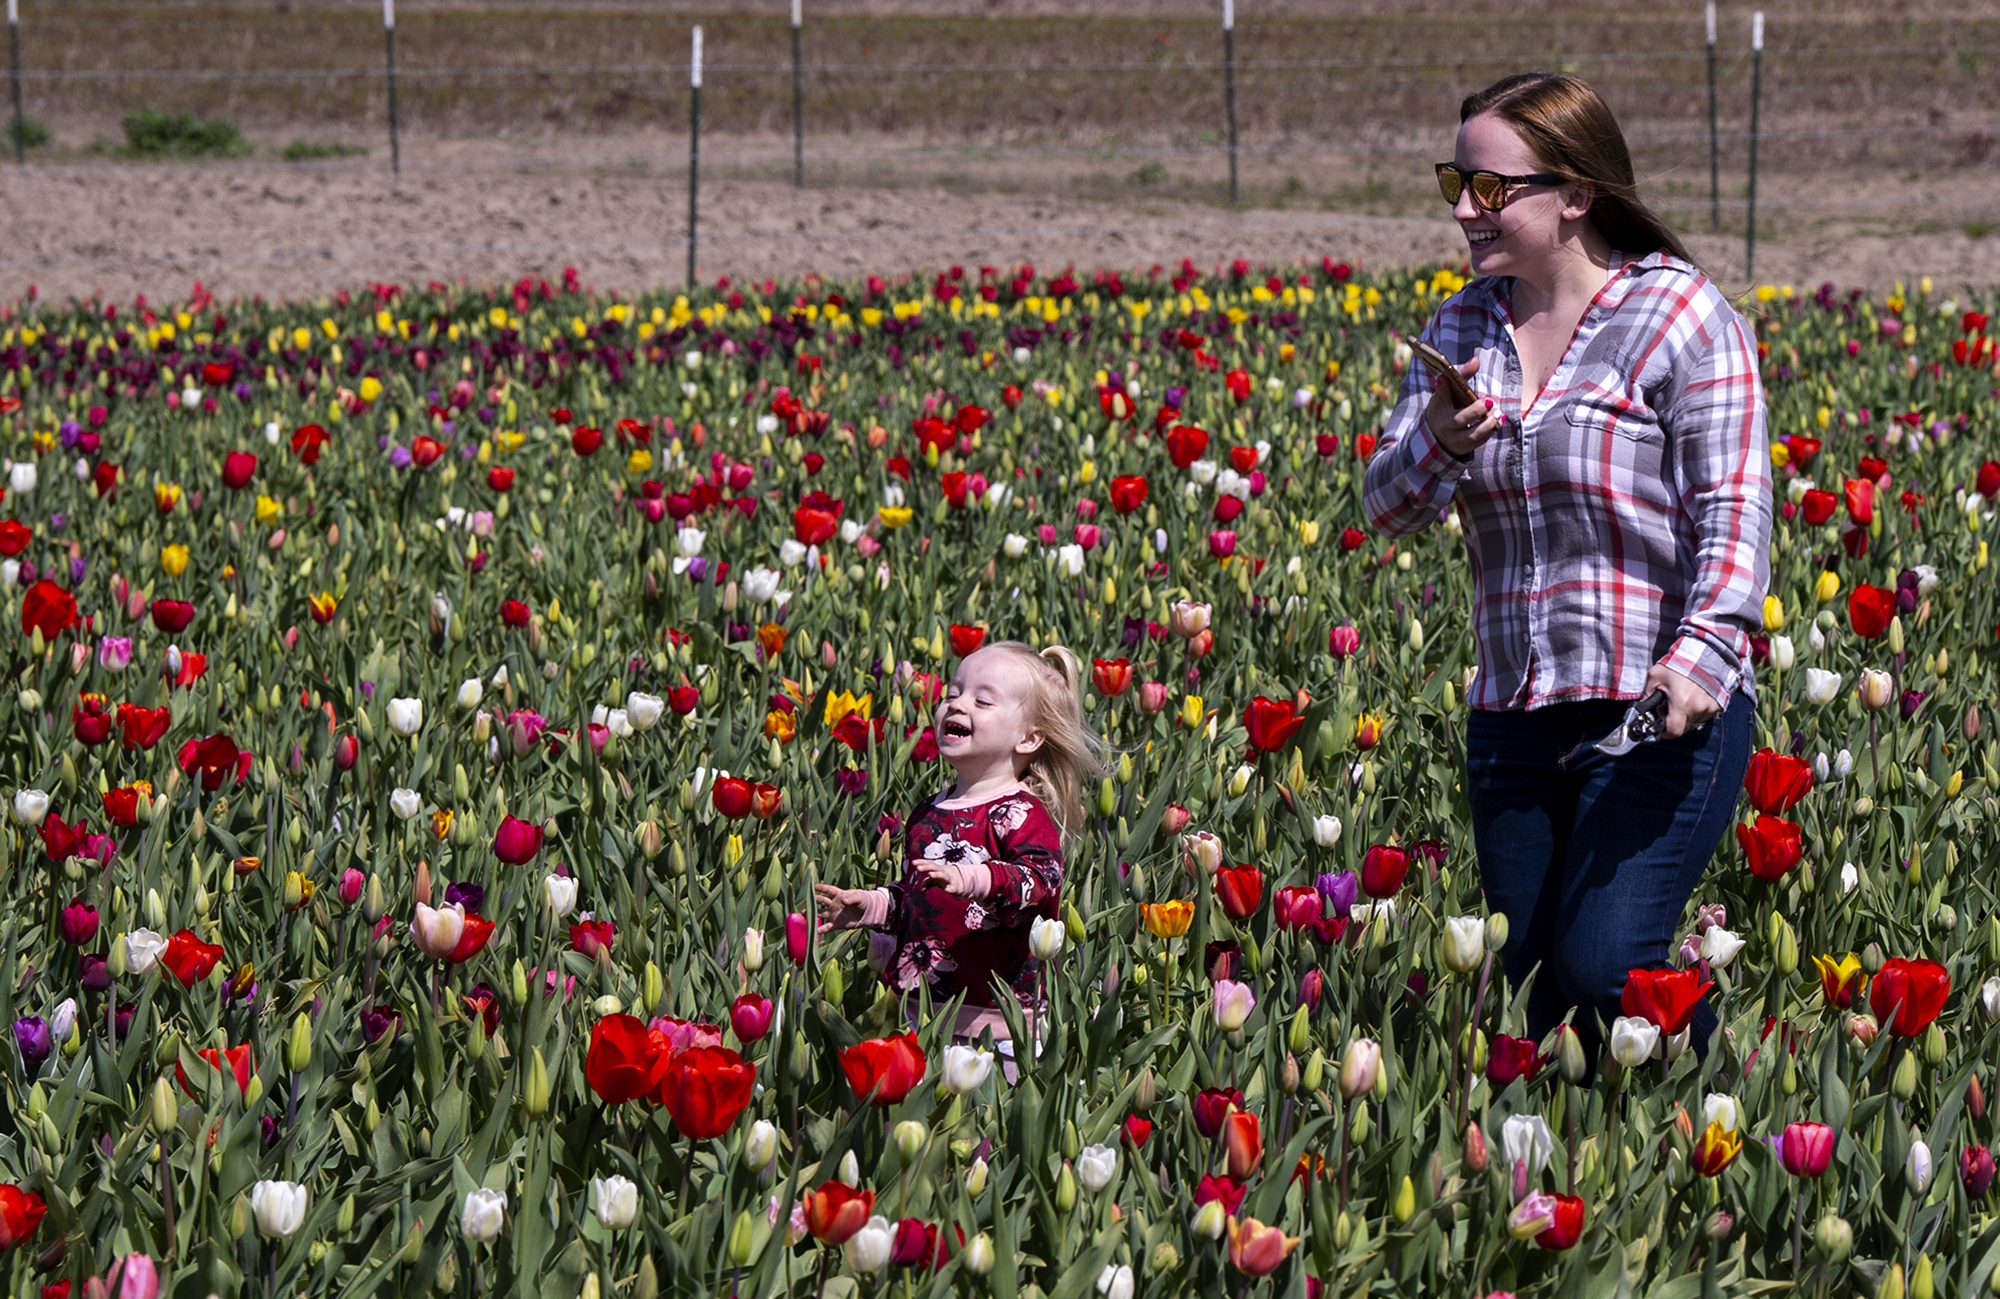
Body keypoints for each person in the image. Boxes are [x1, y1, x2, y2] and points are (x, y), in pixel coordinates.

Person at [1363, 72, 1770, 1060]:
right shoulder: (1460, 327)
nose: (1464, 207)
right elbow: (1386, 506)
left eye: (1490, 186)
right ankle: (1586, 1191)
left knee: (1608, 967)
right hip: (1512, 719)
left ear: (1575, 194)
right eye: (1454, 181)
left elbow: (1731, 514)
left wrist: (1702, 657)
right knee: (1540, 998)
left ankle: (1728, 1101)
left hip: (1657, 709)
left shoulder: (1678, 319)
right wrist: (1444, 439)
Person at [815, 641, 1105, 1072]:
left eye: (981, 700)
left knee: (990, 1132)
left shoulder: (1022, 812)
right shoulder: (930, 811)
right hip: (922, 1015)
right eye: (952, 693)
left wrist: (974, 878)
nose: (957, 704)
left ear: (1029, 737)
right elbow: (921, 898)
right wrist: (873, 905)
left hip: (1000, 1024)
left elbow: (1039, 880)